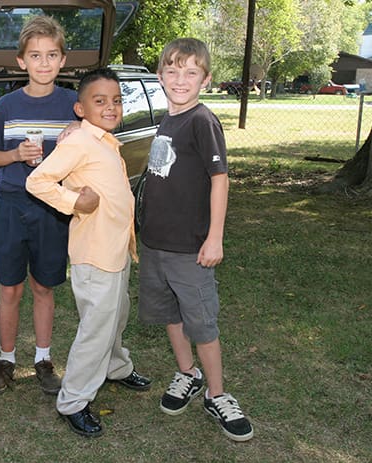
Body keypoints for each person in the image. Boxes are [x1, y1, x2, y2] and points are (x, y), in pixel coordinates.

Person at [137, 38, 254, 442]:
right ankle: (187, 373)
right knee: (170, 313)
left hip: (191, 248)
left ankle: (217, 394)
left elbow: (219, 180)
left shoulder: (202, 121)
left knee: (200, 322)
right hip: (155, 245)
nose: (180, 79)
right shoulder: (167, 121)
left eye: (190, 73)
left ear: (205, 79)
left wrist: (215, 237)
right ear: (160, 76)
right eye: (172, 71)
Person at [26, 68, 152, 437]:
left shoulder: (104, 141)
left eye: (116, 100)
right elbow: (38, 181)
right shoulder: (80, 141)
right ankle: (74, 400)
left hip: (115, 250)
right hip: (94, 254)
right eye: (100, 101)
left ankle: (116, 367)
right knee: (96, 328)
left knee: (116, 318)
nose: (111, 107)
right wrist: (75, 201)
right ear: (81, 108)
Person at [0, 15, 78, 396]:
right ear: (21, 61)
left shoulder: (74, 104)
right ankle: (6, 360)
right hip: (11, 205)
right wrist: (15, 154)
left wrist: (78, 133)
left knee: (43, 286)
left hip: (52, 209)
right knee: (9, 289)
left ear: (62, 60)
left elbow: (94, 145)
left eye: (51, 55)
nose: (43, 63)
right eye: (35, 56)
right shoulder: (6, 105)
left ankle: (43, 359)